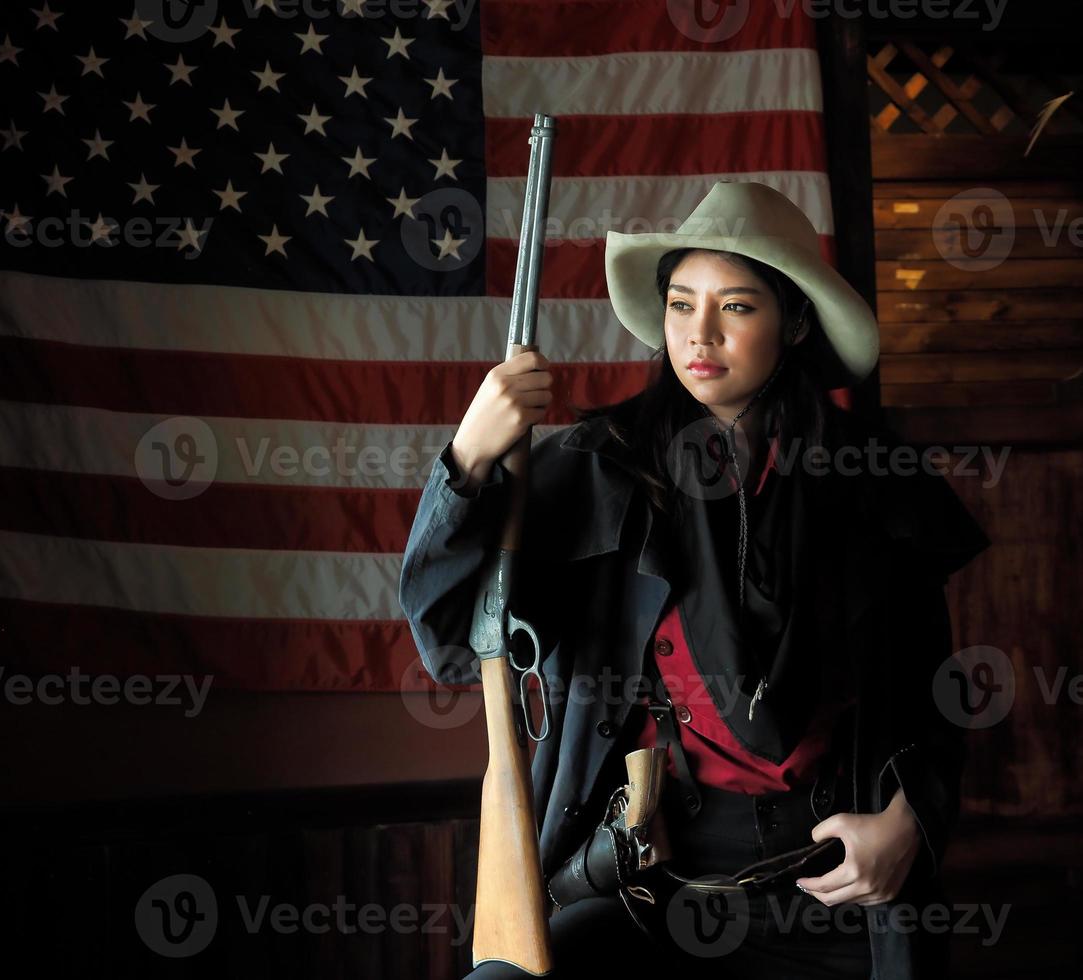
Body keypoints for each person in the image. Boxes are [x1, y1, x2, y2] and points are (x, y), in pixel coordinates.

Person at [398, 181, 991, 979]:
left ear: (794, 323)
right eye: (680, 305)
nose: (699, 333)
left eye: (737, 308)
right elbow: (448, 641)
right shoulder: (595, 468)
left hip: (835, 897)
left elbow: (934, 695)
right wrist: (468, 460)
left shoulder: (869, 477)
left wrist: (911, 819)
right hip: (649, 888)